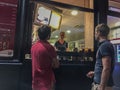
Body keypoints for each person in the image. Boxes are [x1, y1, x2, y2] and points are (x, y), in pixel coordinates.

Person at [86, 23, 115, 90]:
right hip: (100, 84)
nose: (94, 34)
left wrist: (102, 87)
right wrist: (95, 72)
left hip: (102, 86)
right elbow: (103, 66)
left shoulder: (105, 46)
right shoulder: (105, 45)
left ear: (98, 32)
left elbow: (107, 68)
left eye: (95, 32)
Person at [31, 25, 60, 90]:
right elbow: (56, 65)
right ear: (48, 35)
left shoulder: (33, 47)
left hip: (35, 82)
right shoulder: (50, 48)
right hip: (47, 82)